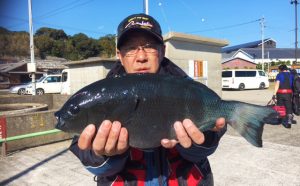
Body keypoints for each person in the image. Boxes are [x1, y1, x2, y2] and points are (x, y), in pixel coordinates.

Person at [69, 13, 226, 185]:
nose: (141, 57)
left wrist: (202, 139)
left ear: (162, 51)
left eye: (149, 46)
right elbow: (93, 162)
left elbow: (205, 149)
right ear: (119, 55)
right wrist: (100, 154)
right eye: (130, 48)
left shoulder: (189, 91)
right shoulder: (101, 96)